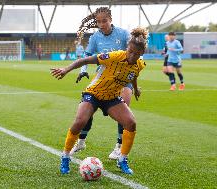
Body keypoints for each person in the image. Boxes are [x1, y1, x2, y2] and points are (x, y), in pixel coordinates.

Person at [51, 28, 147, 175]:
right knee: (80, 121)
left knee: (131, 123)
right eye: (130, 51)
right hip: (94, 93)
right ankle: (65, 156)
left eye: (136, 53)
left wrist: (135, 89)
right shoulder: (114, 56)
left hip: (112, 98)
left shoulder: (139, 64)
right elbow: (86, 60)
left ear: (142, 54)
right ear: (127, 47)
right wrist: (66, 69)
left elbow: (133, 75)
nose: (132, 55)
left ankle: (122, 159)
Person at [71, 7, 134, 160]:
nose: (101, 24)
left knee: (124, 107)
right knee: (87, 106)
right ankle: (81, 141)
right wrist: (83, 70)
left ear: (110, 19)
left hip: (122, 79)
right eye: (98, 22)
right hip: (103, 79)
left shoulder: (123, 34)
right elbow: (87, 55)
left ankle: (119, 147)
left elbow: (133, 52)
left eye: (104, 21)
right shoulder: (95, 38)